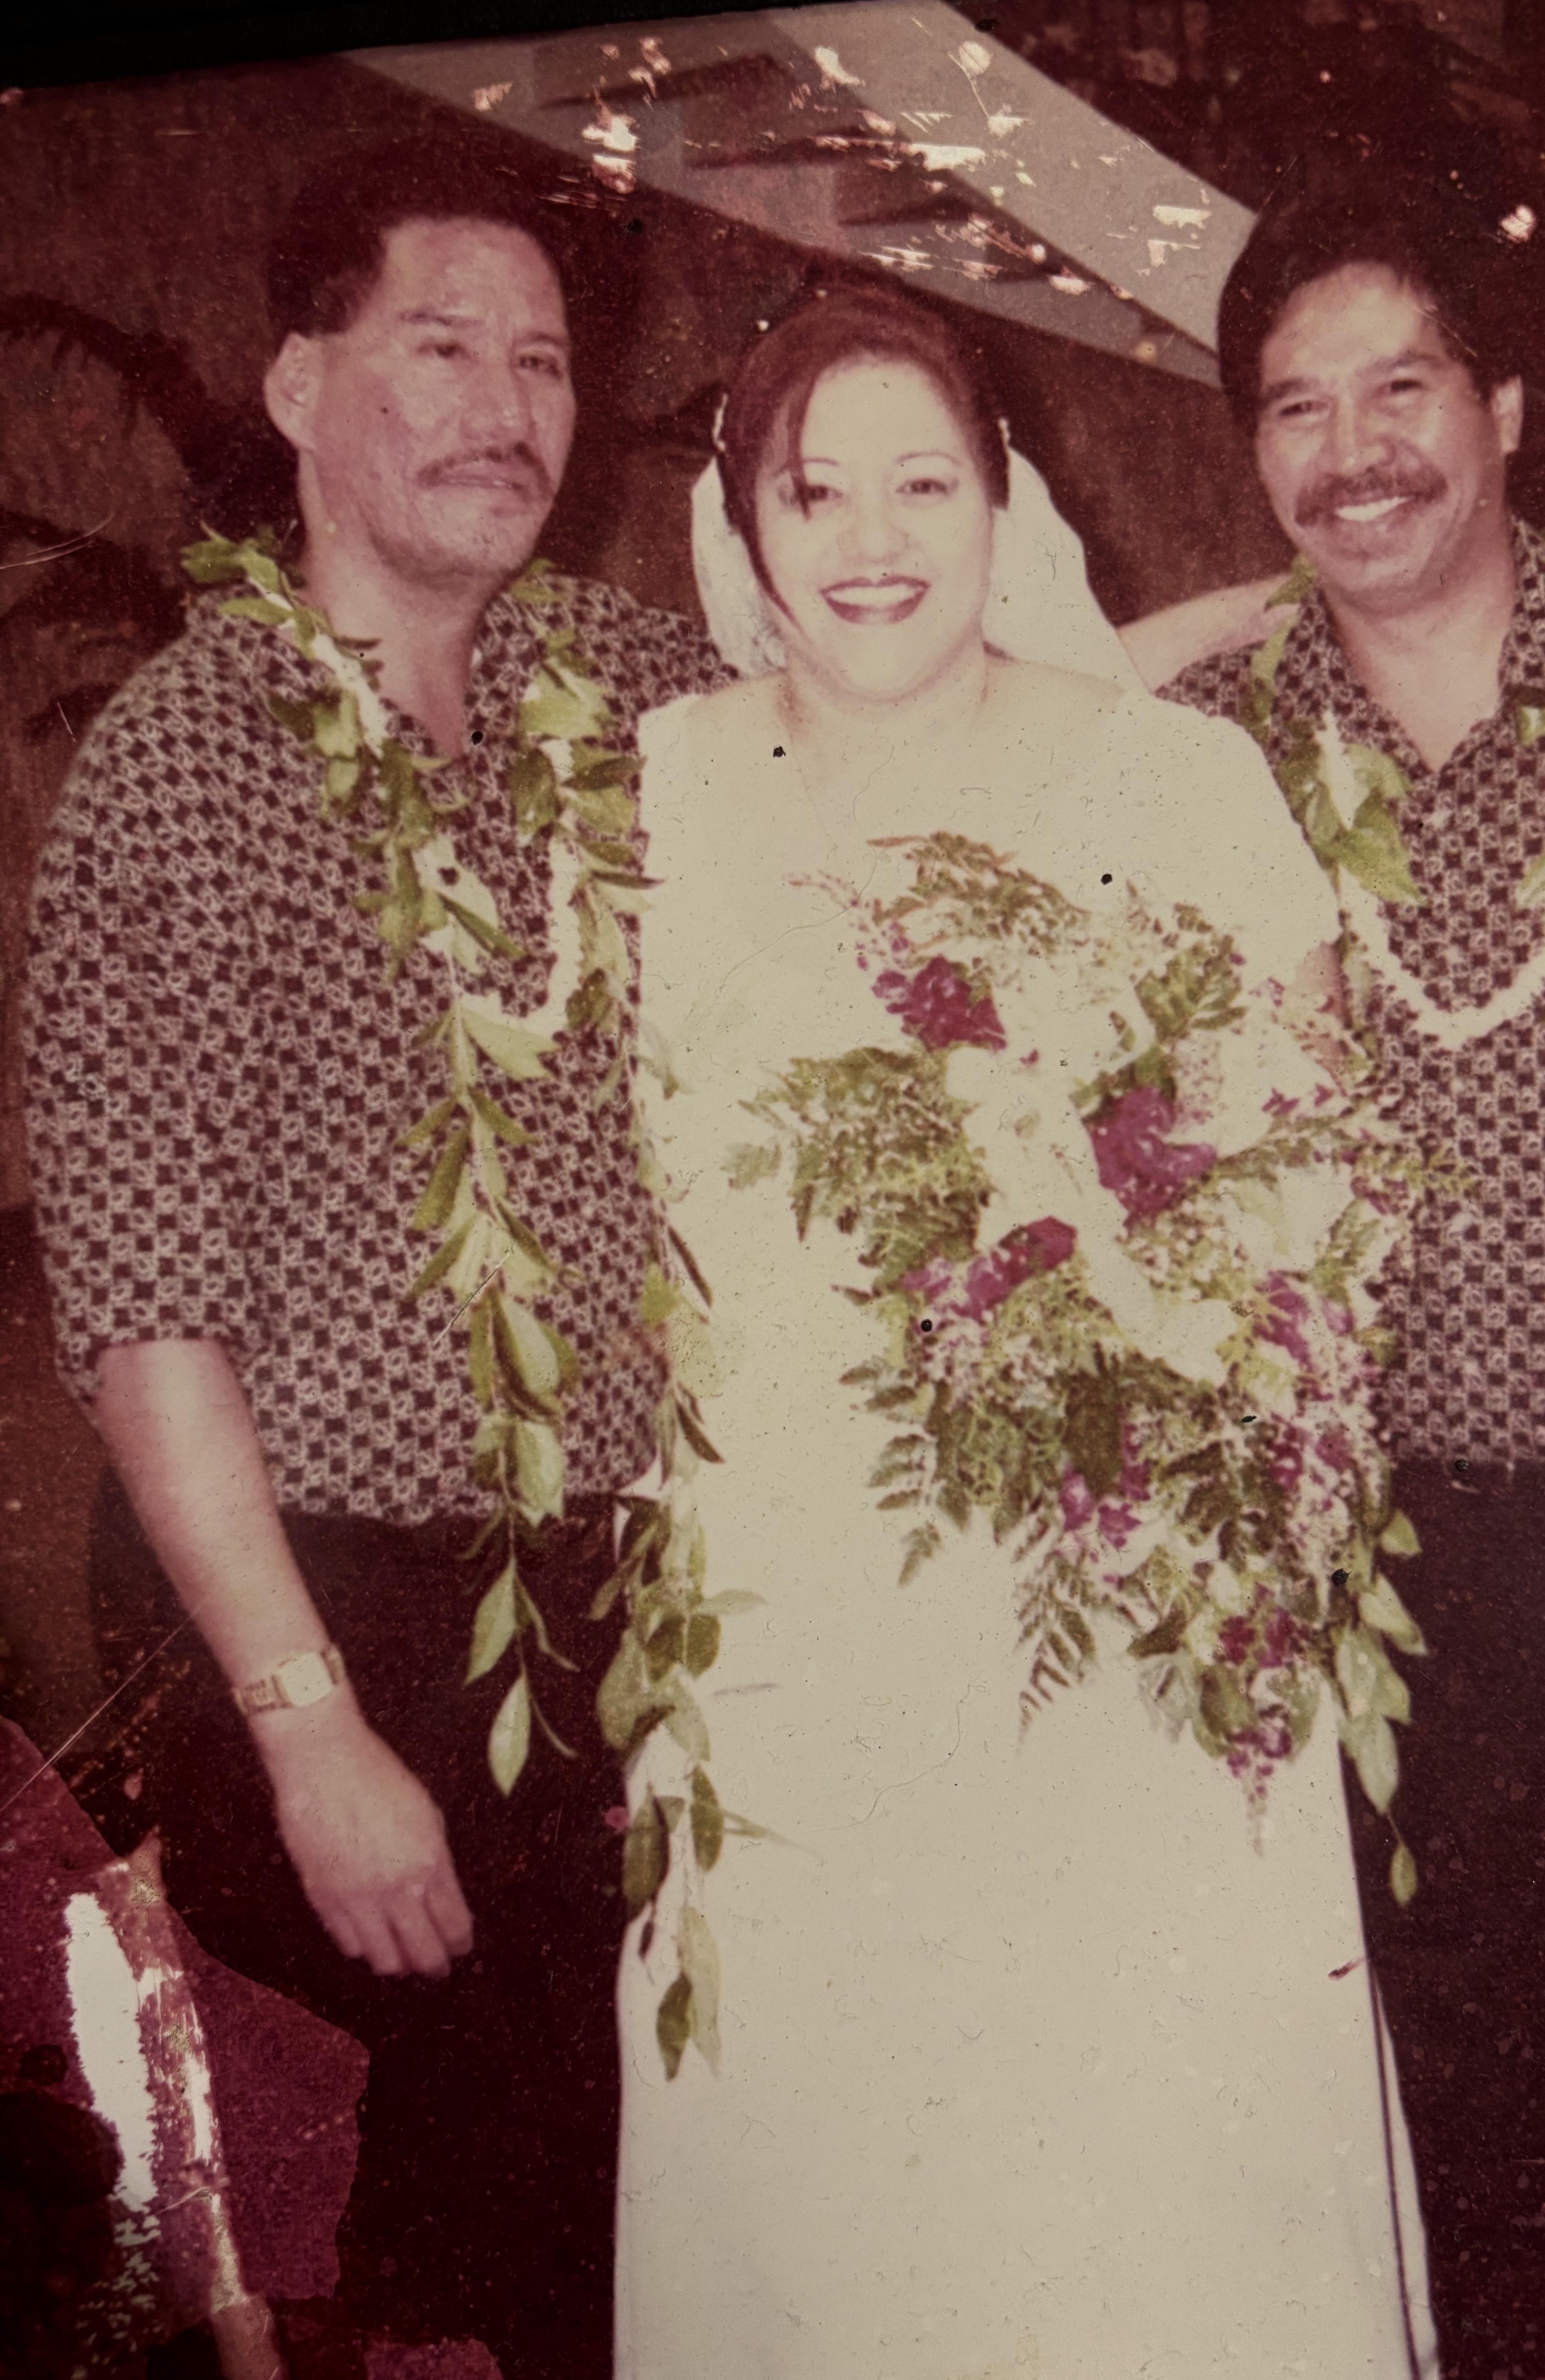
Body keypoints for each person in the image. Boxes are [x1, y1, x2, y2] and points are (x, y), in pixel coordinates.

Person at [615, 280, 1437, 2379]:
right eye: (818, 492)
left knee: (1134, 2184)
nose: (872, 539)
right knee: (836, 2177)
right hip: (781, 1605)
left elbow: (1311, 1195)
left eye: (924, 483)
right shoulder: (655, 792)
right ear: (746, 523)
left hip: (1107, 1593)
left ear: (1006, 501)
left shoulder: (1172, 786)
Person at [22, 140, 726, 2375]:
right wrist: (309, 1729)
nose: (505, 406)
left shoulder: (627, 689)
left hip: (635, 1605)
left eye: (539, 362)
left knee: (636, 2236)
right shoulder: (182, 764)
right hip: (337, 1625)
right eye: (442, 347)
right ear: (301, 384)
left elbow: (921, 694)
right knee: (404, 2275)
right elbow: (142, 1307)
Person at [1158, 171, 1545, 2380]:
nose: (1353, 453)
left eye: (1398, 387)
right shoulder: (1214, 750)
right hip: (1403, 1536)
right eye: (1293, 411)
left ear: (1501, 405)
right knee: (1482, 2094)